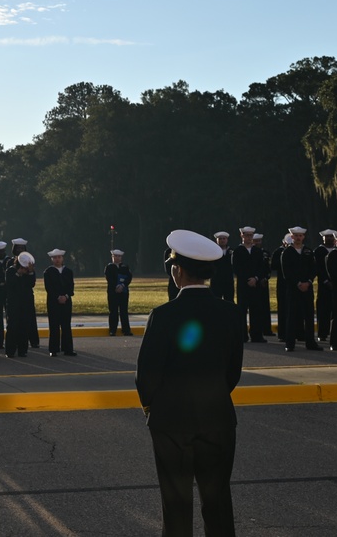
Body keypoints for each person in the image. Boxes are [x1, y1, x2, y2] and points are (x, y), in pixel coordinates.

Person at [136, 230, 243, 537]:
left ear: (177, 271)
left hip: (171, 421)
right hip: (218, 417)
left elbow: (147, 376)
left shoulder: (163, 315)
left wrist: (151, 408)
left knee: (176, 504)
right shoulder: (232, 314)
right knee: (218, 500)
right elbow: (232, 373)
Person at [279, 227, 323, 352]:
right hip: (293, 289)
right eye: (296, 236)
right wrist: (298, 283)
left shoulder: (308, 251)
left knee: (309, 316)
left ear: (303, 237)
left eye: (300, 236)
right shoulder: (287, 252)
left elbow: (313, 269)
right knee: (291, 316)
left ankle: (310, 343)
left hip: (307, 289)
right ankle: (290, 343)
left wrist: (308, 282)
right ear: (292, 237)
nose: (298, 238)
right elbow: (286, 272)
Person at [43, 248, 76, 356]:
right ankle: (54, 349)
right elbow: (49, 288)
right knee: (54, 325)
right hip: (53, 302)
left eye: (59, 257)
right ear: (52, 259)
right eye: (55, 258)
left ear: (62, 258)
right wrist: (58, 297)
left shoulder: (68, 271)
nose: (57, 260)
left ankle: (68, 349)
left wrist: (66, 296)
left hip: (66, 301)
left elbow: (71, 287)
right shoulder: (48, 272)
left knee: (66, 325)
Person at [4, 251, 36, 357]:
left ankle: (23, 350)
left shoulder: (29, 272)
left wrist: (30, 272)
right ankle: (10, 350)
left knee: (24, 327)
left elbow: (31, 284)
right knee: (12, 327)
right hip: (14, 303)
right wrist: (18, 274)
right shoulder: (10, 271)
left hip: (26, 303)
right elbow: (11, 284)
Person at [104, 249, 133, 336]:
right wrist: (116, 287)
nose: (117, 258)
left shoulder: (125, 267)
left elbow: (129, 277)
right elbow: (109, 279)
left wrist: (122, 285)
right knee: (113, 311)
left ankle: (126, 330)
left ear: (121, 257)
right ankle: (112, 330)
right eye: (115, 256)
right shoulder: (109, 267)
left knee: (124, 311)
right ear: (112, 257)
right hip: (113, 292)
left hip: (123, 292)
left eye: (118, 256)